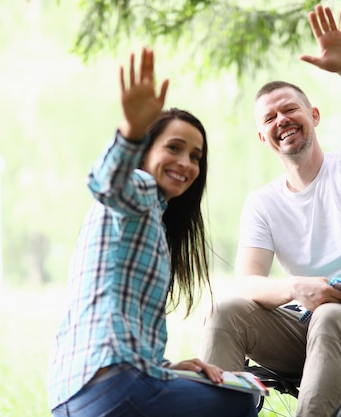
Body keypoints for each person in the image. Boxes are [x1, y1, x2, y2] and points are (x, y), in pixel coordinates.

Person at [199, 4, 341, 417]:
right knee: (224, 311)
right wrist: (296, 288)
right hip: (309, 327)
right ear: (263, 136)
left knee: (330, 316)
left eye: (290, 109)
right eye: (270, 117)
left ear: (313, 115)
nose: (282, 119)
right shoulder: (263, 202)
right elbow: (249, 283)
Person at [47, 47, 257, 417]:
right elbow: (104, 183)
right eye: (174, 148)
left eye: (195, 157)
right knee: (241, 400)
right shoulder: (138, 189)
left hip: (76, 396)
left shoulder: (148, 219)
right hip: (110, 386)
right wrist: (130, 130)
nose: (186, 163)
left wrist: (167, 370)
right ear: (144, 152)